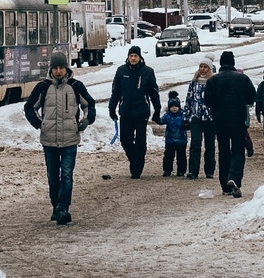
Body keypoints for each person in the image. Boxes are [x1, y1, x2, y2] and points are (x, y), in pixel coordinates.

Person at [24, 52, 96, 225]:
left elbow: (89, 104)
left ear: (66, 69)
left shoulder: (76, 86)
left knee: (66, 175)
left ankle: (63, 207)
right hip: (49, 140)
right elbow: (29, 108)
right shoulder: (42, 87)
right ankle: (56, 206)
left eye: (61, 68)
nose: (58, 71)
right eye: (55, 68)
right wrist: (39, 124)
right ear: (51, 69)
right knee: (52, 176)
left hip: (70, 139)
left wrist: (86, 121)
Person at [205, 50, 257, 198]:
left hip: (220, 121)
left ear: (221, 63)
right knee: (238, 151)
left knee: (223, 151)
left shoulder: (213, 81)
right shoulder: (243, 79)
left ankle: (225, 185)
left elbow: (208, 101)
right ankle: (234, 177)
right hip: (238, 120)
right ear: (233, 63)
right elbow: (252, 97)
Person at [108, 44, 161, 179]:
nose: (133, 58)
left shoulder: (147, 72)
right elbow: (115, 92)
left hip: (141, 111)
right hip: (126, 111)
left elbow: (154, 93)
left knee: (140, 141)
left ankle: (137, 167)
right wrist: (111, 108)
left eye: (135, 56)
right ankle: (134, 160)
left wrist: (157, 109)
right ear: (128, 57)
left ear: (140, 57)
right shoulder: (121, 71)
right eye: (131, 56)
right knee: (126, 140)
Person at [184, 57, 216, 180]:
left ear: (209, 69)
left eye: (205, 67)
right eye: (201, 66)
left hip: (209, 118)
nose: (202, 69)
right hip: (196, 117)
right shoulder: (194, 82)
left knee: (210, 145)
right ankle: (193, 170)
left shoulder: (213, 82)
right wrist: (186, 116)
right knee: (195, 143)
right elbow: (189, 99)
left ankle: (209, 170)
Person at [157, 91, 188, 177]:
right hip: (170, 140)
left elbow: (188, 124)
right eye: (172, 106)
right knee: (168, 156)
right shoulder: (167, 115)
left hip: (181, 140)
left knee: (181, 157)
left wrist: (187, 124)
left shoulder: (183, 115)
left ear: (179, 107)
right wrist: (156, 117)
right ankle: (167, 170)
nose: (174, 108)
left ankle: (181, 171)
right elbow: (161, 121)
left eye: (176, 106)